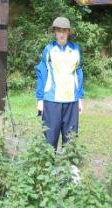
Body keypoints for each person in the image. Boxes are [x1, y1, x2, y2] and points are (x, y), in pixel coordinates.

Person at [35, 16, 84, 150]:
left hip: (71, 101)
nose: (61, 34)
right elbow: (41, 73)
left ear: (68, 31)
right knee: (50, 137)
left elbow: (79, 73)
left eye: (64, 30)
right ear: (55, 32)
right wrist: (40, 99)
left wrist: (79, 97)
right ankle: (48, 167)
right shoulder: (49, 49)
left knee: (71, 137)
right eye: (58, 30)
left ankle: (70, 167)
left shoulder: (76, 49)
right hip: (52, 100)